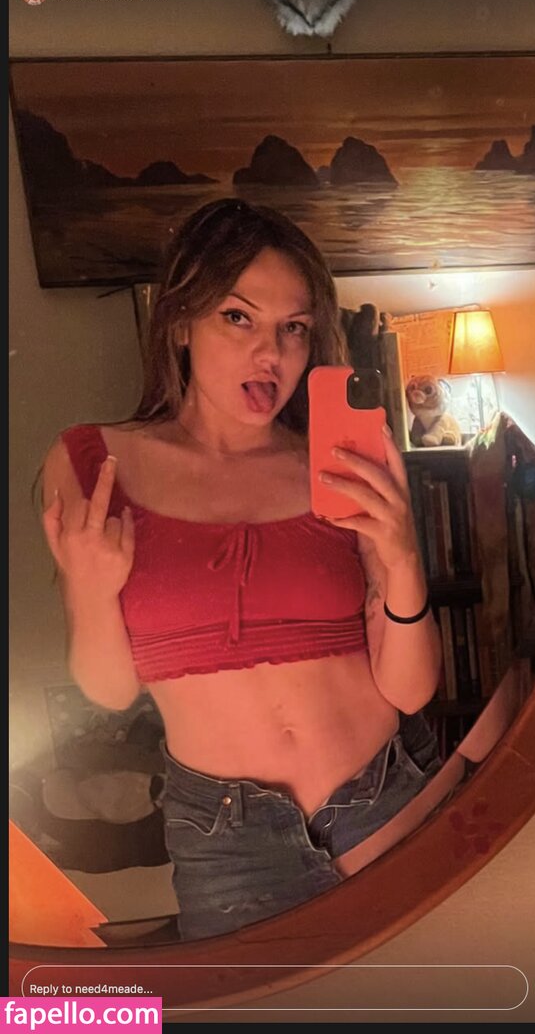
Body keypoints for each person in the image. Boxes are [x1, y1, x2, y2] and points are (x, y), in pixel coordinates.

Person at [41, 199, 443, 941]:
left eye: (294, 328)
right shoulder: (95, 464)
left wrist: (402, 556)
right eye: (238, 317)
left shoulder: (336, 463)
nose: (271, 354)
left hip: (386, 797)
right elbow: (110, 687)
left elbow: (411, 689)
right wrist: (94, 594)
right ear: (179, 321)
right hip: (229, 846)